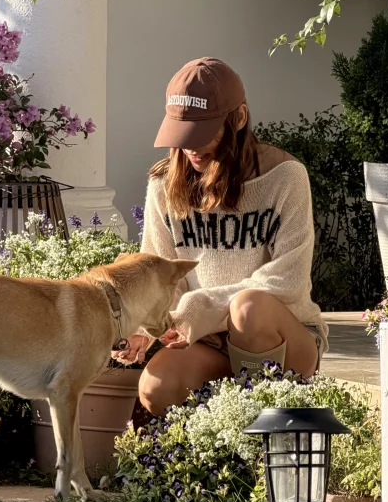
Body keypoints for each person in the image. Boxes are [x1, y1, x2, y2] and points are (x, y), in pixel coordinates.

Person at [114, 57, 327, 415]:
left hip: (282, 336)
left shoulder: (286, 176)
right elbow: (161, 276)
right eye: (182, 133)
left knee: (249, 308)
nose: (190, 147)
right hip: (208, 342)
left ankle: (264, 427)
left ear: (238, 118)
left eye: (202, 132)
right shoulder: (163, 185)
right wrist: (143, 328)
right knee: (156, 386)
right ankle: (226, 430)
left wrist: (203, 306)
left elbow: (287, 280)